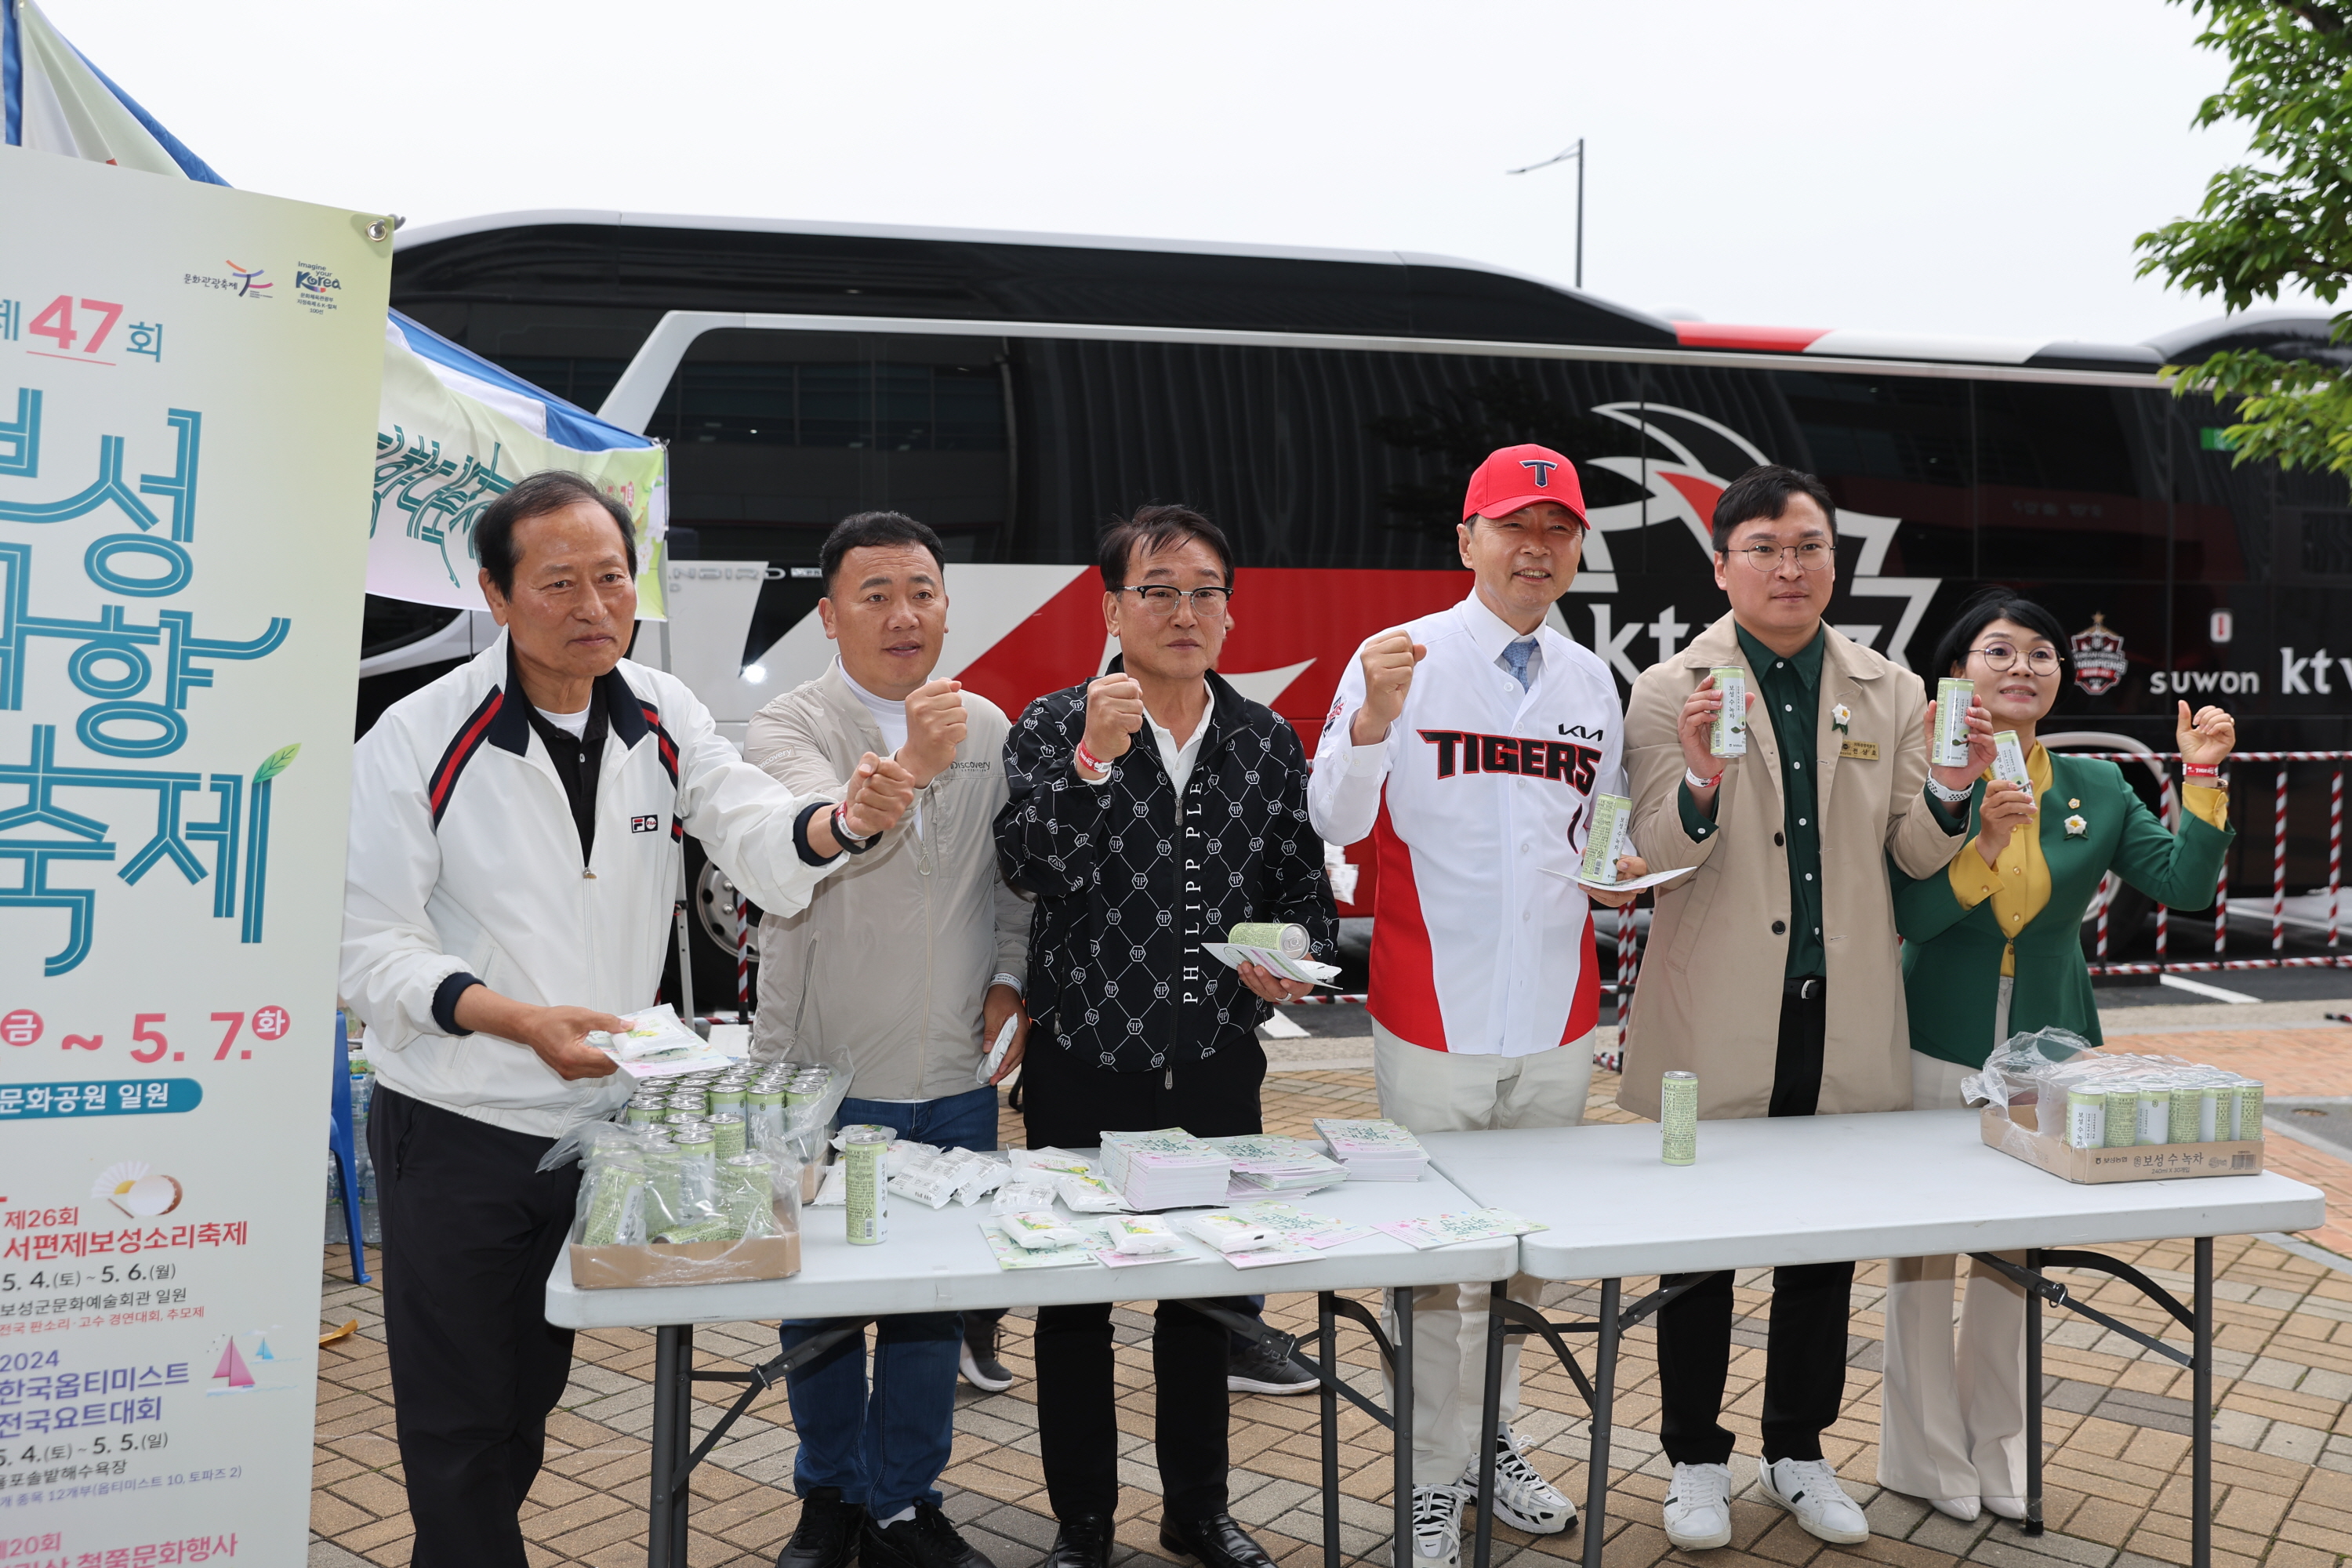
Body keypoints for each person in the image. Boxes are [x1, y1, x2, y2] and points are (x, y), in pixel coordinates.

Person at [340, 471, 916, 1568]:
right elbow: (367, 946)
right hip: (457, 1121)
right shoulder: (417, 739)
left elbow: (748, 824)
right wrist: (517, 1020)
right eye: (559, 582)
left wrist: (839, 822)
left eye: (613, 577)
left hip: (594, 1118)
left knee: (526, 1399)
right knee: (461, 1420)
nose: (596, 605)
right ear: (495, 596)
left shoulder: (662, 707)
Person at [1617, 464, 1989, 1553]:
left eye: (1811, 546)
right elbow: (1653, 851)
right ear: (1721, 563)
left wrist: (1955, 791)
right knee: (1699, 1246)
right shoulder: (1665, 687)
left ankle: (1798, 1449)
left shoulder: (1895, 689)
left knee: (1823, 1249)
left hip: (1845, 1010)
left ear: (1837, 560)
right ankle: (1693, 1457)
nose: (1791, 567)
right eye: (1767, 547)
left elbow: (1917, 847)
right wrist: (1696, 779)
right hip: (1713, 1014)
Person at [1309, 443, 1645, 1568]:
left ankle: (1489, 1444)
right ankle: (1426, 1481)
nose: (1536, 548)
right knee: (1433, 1269)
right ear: (1468, 540)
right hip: (1432, 1014)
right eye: (1515, 527)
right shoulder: (1398, 659)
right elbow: (1336, 820)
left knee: (1517, 1265)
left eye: (1558, 531)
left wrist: (1622, 862)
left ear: (1578, 550)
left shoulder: (1591, 679)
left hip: (1557, 1014)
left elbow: (1601, 832)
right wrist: (1371, 722)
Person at [994, 504, 1338, 1568]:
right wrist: (1096, 761)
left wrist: (1292, 954)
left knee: (1207, 1299)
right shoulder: (1057, 724)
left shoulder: (1265, 737)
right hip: (1084, 1060)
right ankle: (1082, 1526)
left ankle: (1197, 1512)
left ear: (1230, 614)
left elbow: (1301, 890)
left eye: (1204, 592)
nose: (1184, 611)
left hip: (1216, 1064)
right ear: (1112, 608)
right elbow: (1029, 866)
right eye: (1158, 590)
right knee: (1075, 1308)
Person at [1880, 589, 2235, 1523]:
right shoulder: (1926, 776)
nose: (2024, 668)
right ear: (1958, 675)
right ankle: (1922, 1454)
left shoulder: (2097, 785)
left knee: (2010, 1261)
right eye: (1999, 651)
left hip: (2049, 1047)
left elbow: (2186, 885)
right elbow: (1911, 914)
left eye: (2041, 654)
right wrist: (1982, 840)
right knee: (1920, 1255)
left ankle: (1998, 1448)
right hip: (1931, 1033)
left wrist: (2199, 777)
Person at [742, 511, 1035, 1568]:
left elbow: (1012, 893)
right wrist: (914, 755)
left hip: (953, 1074)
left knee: (931, 1305)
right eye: (875, 594)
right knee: (820, 1310)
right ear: (828, 616)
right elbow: (819, 833)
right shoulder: (785, 727)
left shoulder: (992, 731)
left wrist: (1009, 981)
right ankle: (829, 1497)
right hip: (826, 1077)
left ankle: (905, 1502)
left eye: (922, 590)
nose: (904, 614)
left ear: (949, 604)